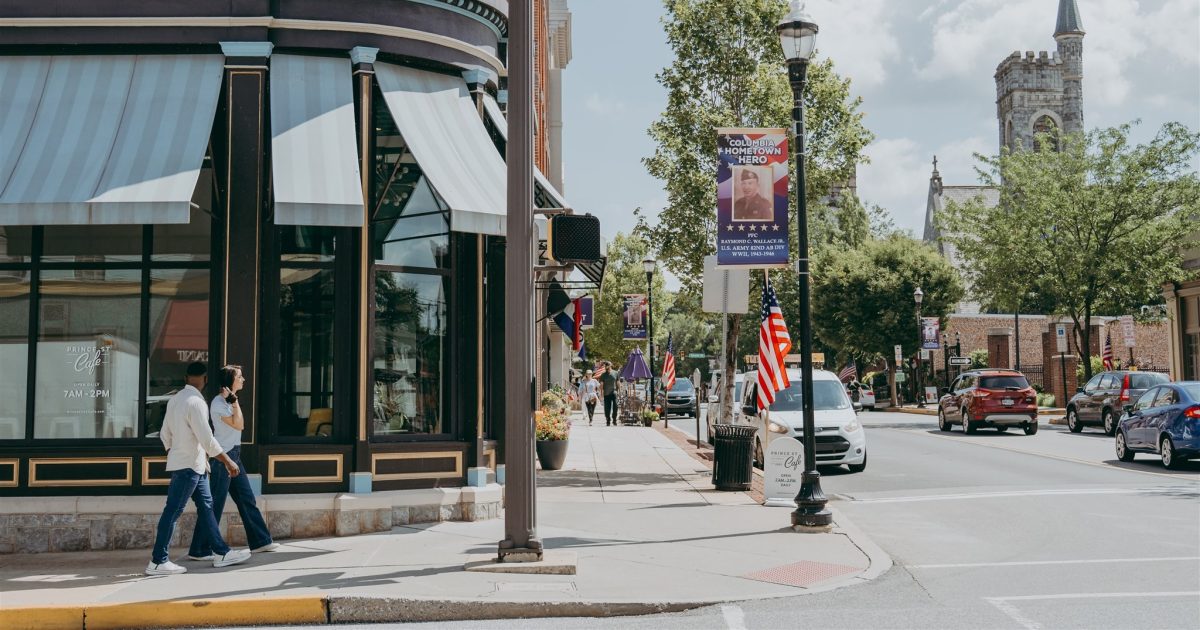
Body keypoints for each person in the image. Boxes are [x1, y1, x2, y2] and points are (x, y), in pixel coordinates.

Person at [147, 362, 251, 575]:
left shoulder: (175, 399)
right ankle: (158, 561)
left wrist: (174, 452)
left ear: (186, 378)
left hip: (192, 463)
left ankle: (221, 552)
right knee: (173, 511)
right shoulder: (197, 402)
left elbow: (164, 433)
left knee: (207, 507)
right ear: (204, 379)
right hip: (190, 466)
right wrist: (228, 461)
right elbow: (206, 438)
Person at [186, 365, 279, 562]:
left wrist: (234, 402)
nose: (243, 379)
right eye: (239, 376)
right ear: (230, 380)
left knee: (246, 499)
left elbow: (240, 425)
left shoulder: (228, 401)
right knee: (215, 504)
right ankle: (199, 549)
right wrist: (235, 403)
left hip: (234, 455)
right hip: (224, 458)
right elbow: (240, 424)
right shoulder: (219, 403)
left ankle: (260, 541)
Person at [599, 361, 619, 426]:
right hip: (606, 393)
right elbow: (601, 385)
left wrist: (619, 391)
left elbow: (618, 382)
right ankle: (608, 419)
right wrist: (601, 393)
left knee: (616, 406)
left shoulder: (616, 373)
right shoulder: (603, 375)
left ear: (611, 365)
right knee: (607, 408)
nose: (606, 367)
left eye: (607, 365)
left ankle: (614, 419)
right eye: (605, 366)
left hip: (614, 392)